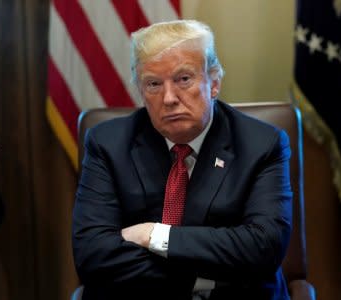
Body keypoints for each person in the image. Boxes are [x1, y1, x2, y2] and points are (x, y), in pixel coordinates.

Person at [72, 19, 292, 300]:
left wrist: (153, 235)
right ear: (140, 91)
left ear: (214, 82)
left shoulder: (261, 144)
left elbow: (263, 248)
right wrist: (209, 278)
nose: (169, 98)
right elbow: (92, 256)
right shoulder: (108, 143)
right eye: (153, 84)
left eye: (183, 79)